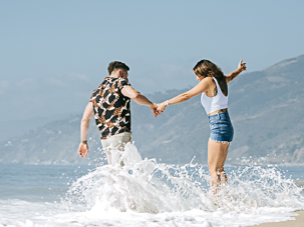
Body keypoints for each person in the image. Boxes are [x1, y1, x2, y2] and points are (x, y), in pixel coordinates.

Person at [154, 59, 247, 191]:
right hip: (226, 125)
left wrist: (165, 103)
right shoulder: (221, 80)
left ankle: (216, 203)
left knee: (213, 170)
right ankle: (226, 201)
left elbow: (186, 95)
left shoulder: (209, 81)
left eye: (198, 75)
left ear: (205, 73)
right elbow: (230, 76)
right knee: (220, 169)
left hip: (218, 123)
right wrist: (239, 70)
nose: (197, 79)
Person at [78, 61, 159, 167]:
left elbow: (85, 119)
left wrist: (83, 141)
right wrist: (151, 105)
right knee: (119, 172)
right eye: (127, 75)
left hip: (105, 139)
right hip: (119, 134)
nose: (127, 78)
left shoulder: (97, 91)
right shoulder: (119, 83)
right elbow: (135, 95)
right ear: (120, 72)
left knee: (115, 172)